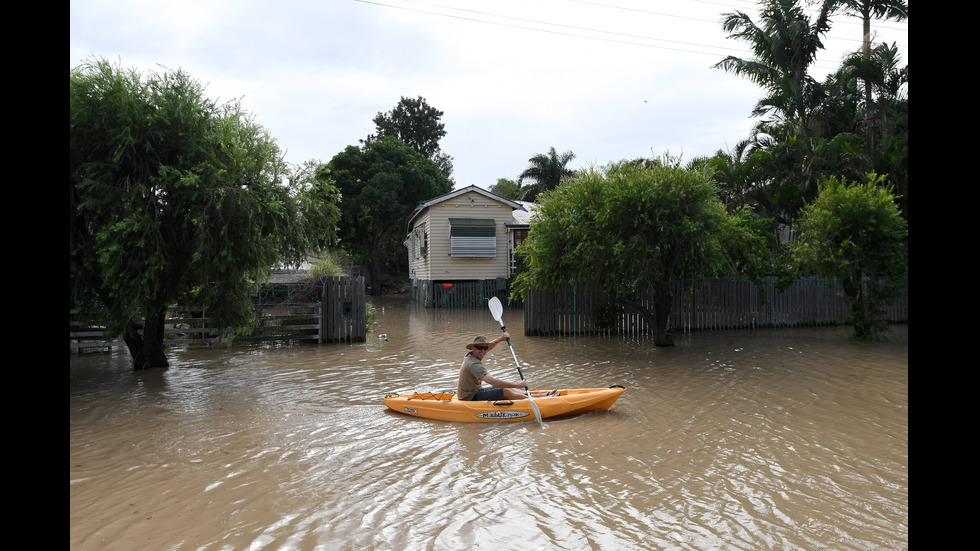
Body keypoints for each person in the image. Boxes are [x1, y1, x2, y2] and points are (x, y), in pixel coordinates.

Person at [457, 334, 558, 401]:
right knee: (505, 391)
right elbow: (494, 382)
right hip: (469, 397)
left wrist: (501, 338)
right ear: (473, 348)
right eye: (479, 347)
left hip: (472, 392)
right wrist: (518, 384)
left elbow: (489, 347)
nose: (483, 351)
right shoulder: (474, 365)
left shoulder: (471, 354)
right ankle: (539, 401)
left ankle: (541, 396)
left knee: (506, 388)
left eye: (485, 347)